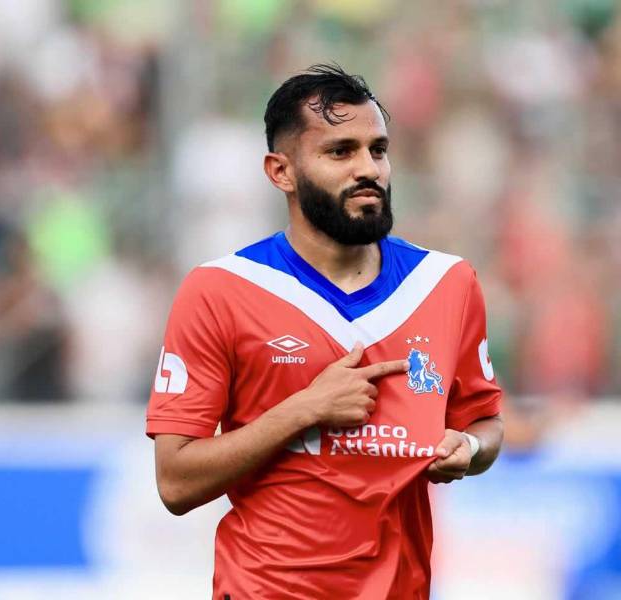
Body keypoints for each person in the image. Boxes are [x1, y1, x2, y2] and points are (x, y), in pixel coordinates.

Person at [147, 64, 503, 599]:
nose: (369, 169)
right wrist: (305, 410)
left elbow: (485, 422)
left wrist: (469, 446)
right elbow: (175, 482)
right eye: (340, 152)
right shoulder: (220, 290)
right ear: (281, 171)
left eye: (378, 150)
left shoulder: (447, 283)